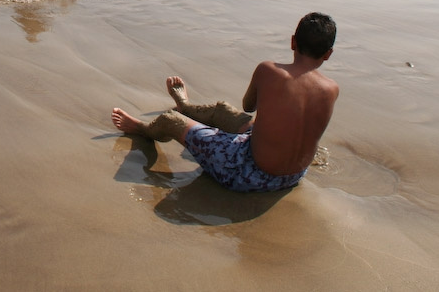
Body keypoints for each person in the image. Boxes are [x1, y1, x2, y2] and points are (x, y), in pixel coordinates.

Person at [111, 12, 339, 192]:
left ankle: (142, 129)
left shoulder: (269, 70)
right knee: (223, 111)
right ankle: (186, 107)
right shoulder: (332, 89)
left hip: (247, 174)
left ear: (293, 42)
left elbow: (248, 106)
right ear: (328, 54)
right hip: (293, 177)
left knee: (171, 120)